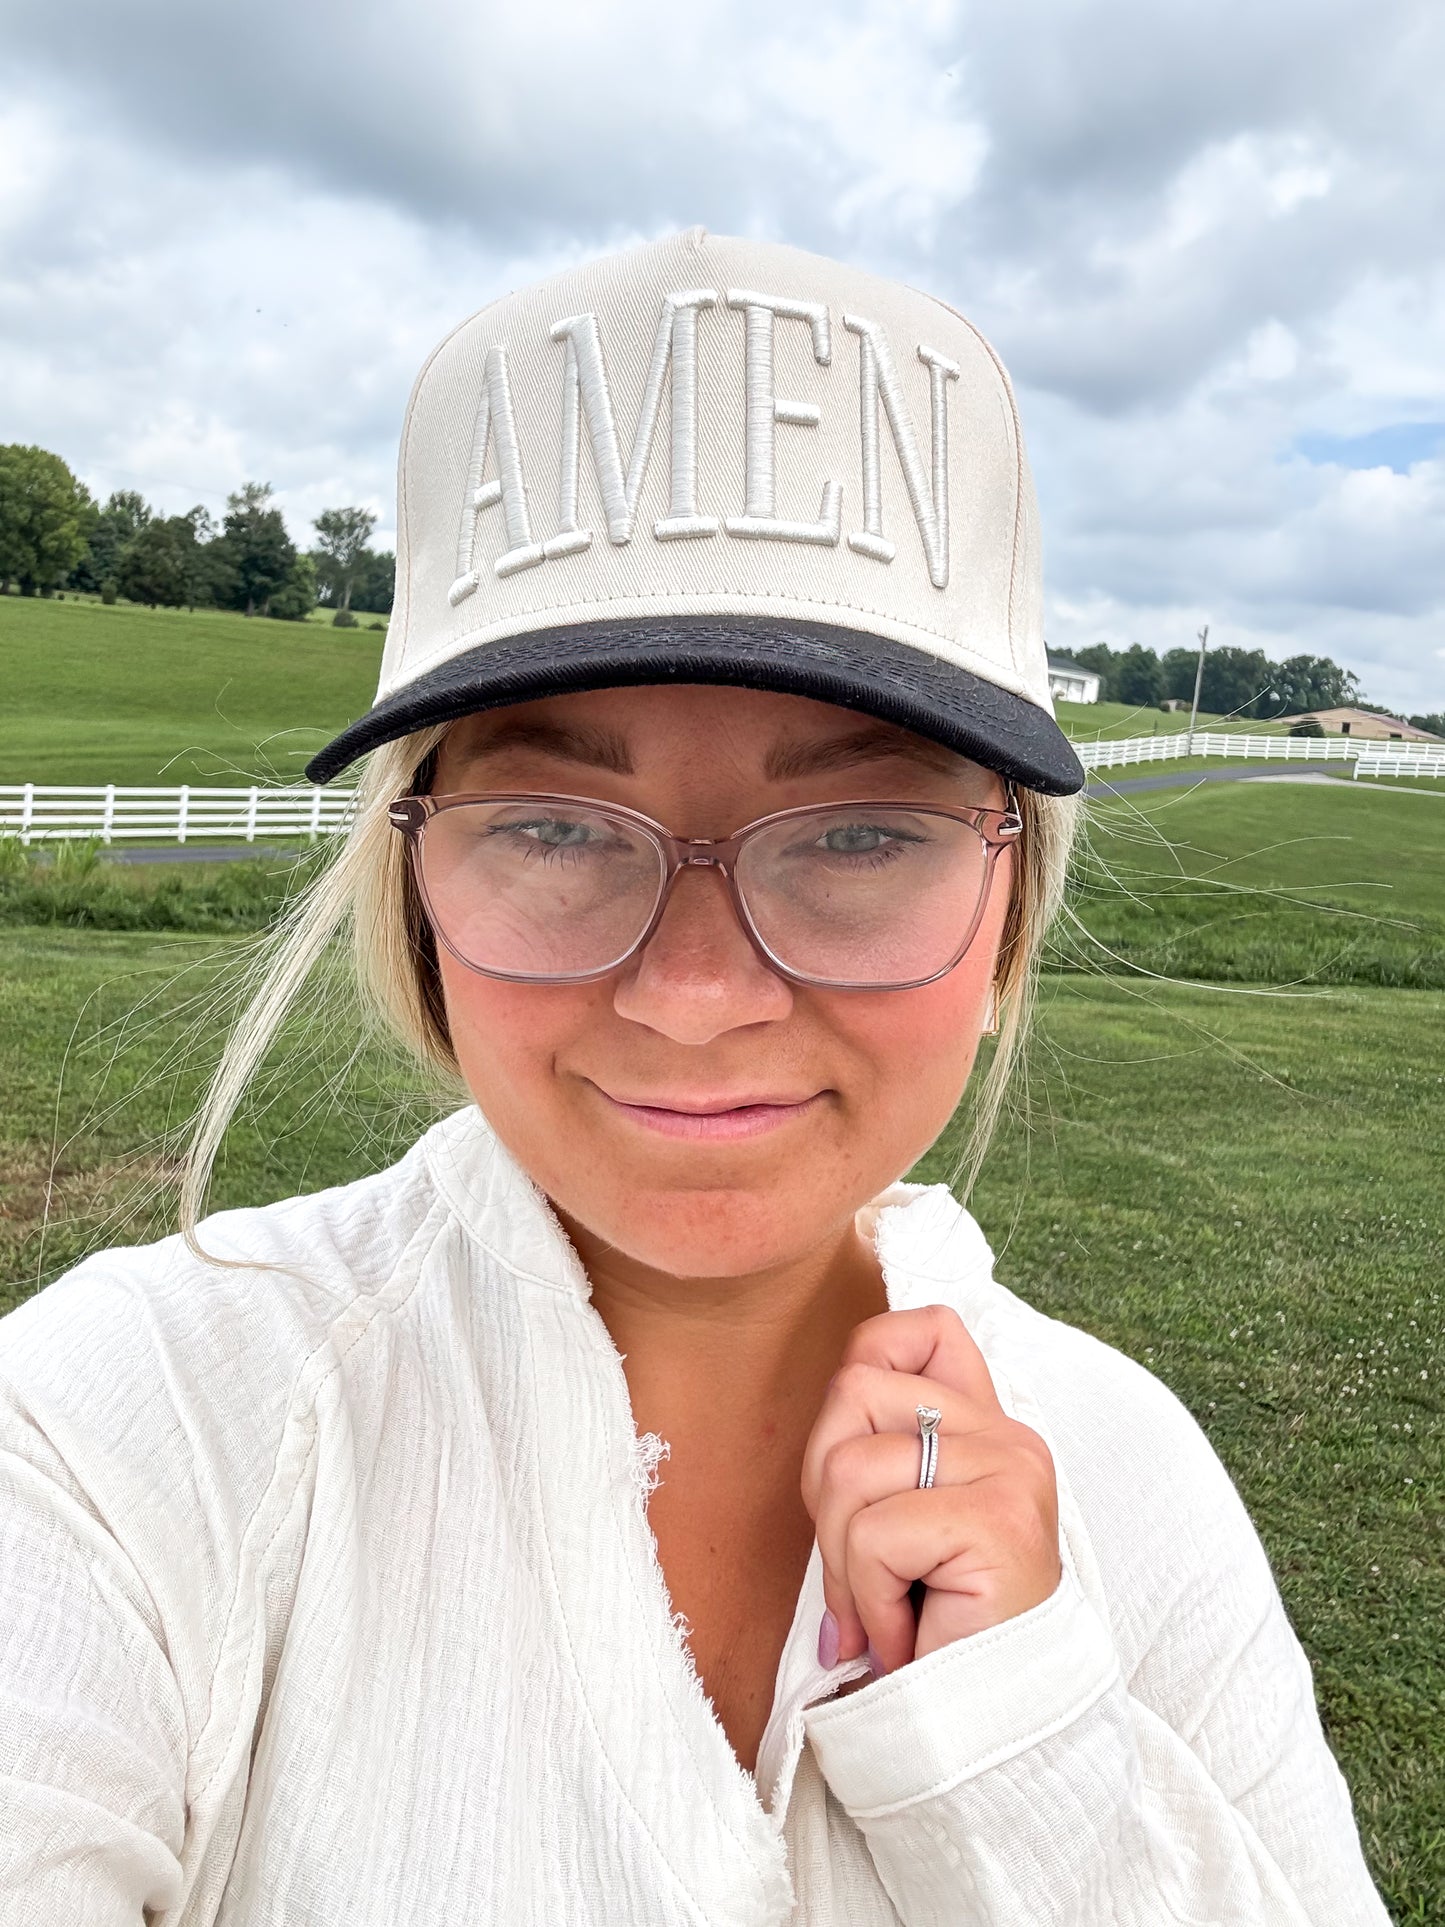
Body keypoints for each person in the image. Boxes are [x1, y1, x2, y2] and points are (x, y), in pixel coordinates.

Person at [0, 230, 1392, 1926]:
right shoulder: (120, 1424)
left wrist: (1023, 1746)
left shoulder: (1127, 1472)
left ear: (1007, 906)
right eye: (554, 827)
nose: (696, 996)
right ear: (414, 883)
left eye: (861, 833)